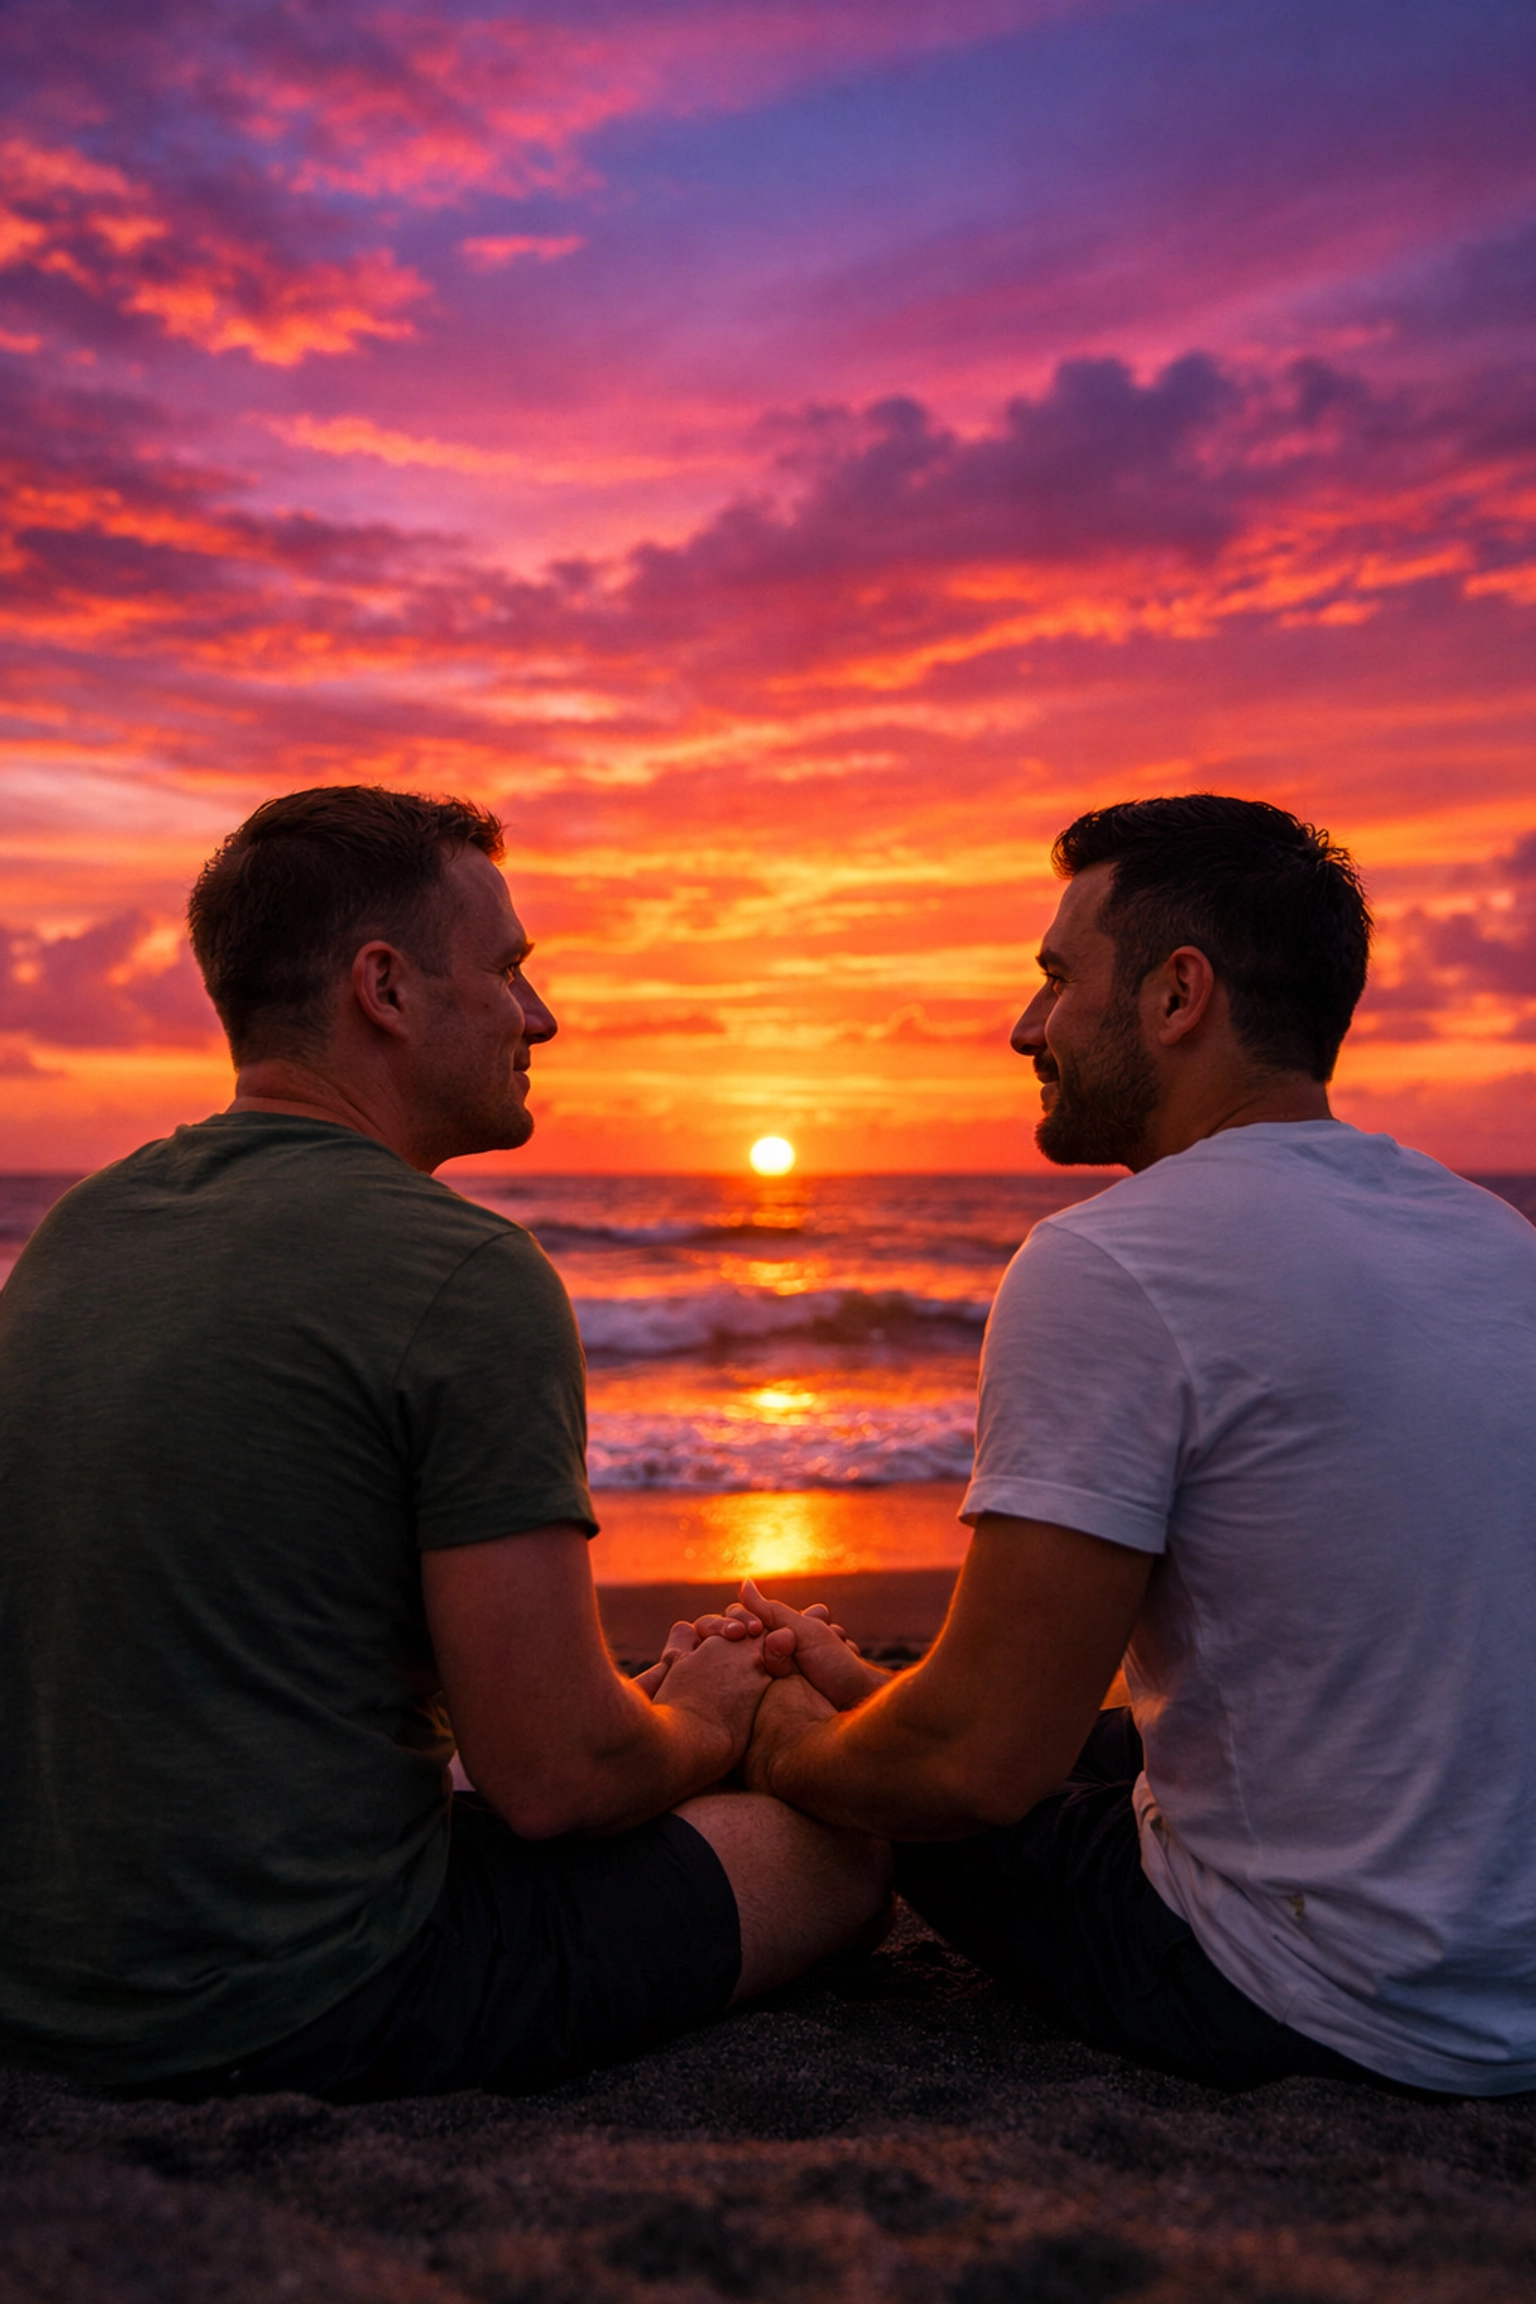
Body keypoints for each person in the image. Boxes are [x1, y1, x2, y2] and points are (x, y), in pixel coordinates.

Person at [0, 785, 888, 2100]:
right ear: (387, 988)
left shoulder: (82, 1231)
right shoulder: (464, 1273)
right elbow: (556, 1779)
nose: (541, 1016)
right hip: (301, 1998)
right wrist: (696, 1721)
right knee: (842, 1849)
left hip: (43, 1985)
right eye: (512, 971)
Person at [734, 794, 1536, 2095]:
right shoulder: (1493, 1239)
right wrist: (871, 1688)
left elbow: (986, 1761)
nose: (1025, 1025)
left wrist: (780, 1739)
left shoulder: (1114, 1261)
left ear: (1178, 997)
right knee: (1088, 1744)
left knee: (905, 1786)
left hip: (1326, 1994)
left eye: (1056, 978)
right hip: (1513, 1966)